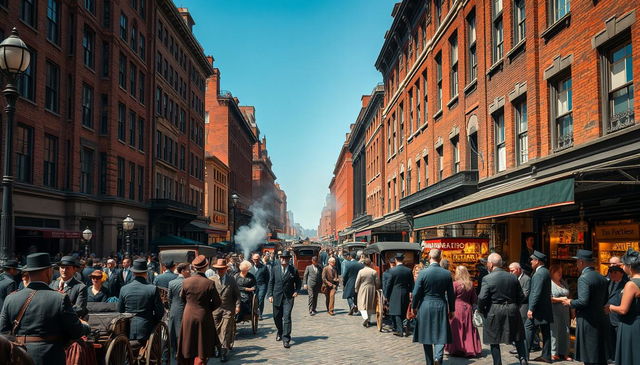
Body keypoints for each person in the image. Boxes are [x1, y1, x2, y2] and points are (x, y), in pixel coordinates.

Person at [0, 253, 84, 365]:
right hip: (50, 357)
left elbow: (3, 332)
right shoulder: (59, 298)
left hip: (19, 358)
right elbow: (76, 331)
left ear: (28, 273)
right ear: (48, 272)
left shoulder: (11, 298)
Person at [560, 249, 610, 365]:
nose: (576, 265)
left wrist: (570, 302)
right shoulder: (601, 277)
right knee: (599, 355)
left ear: (581, 262)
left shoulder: (583, 278)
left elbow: (583, 301)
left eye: (577, 262)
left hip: (587, 321)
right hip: (600, 319)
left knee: (589, 356)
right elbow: (605, 299)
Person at [478, 253, 527, 365]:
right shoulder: (512, 277)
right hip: (512, 309)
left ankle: (497, 363)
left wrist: (481, 310)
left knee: (494, 339)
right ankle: (523, 360)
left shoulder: (487, 278)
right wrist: (515, 305)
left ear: (490, 264)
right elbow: (521, 296)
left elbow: (482, 297)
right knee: (517, 337)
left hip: (494, 310)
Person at [412, 249, 455, 365]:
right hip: (441, 305)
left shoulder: (423, 273)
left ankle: (430, 362)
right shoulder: (446, 274)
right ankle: (438, 357)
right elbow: (451, 294)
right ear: (440, 258)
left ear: (429, 257)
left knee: (426, 334)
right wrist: (452, 310)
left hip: (425, 305)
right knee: (441, 333)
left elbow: (416, 293)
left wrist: (414, 307)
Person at [178, 256, 221, 365]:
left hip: (188, 315)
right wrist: (206, 308)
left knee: (188, 342)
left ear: (194, 268)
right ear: (205, 267)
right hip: (203, 315)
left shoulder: (186, 282)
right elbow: (217, 302)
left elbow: (182, 298)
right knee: (202, 343)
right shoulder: (209, 283)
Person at [118, 258, 164, 345]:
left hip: (127, 328)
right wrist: (154, 320)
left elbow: (120, 310)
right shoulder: (152, 289)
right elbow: (159, 312)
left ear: (133, 273)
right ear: (146, 273)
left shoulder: (124, 289)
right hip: (146, 327)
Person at [608, 248, 640, 365]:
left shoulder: (631, 284)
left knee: (629, 356)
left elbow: (623, 309)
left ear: (629, 266)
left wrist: (610, 307)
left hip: (630, 325)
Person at [267, 250, 301, 348]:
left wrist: (296, 291)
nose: (284, 260)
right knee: (276, 316)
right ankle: (280, 331)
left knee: (287, 317)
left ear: (289, 259)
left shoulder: (293, 270)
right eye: (282, 258)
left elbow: (298, 282)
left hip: (288, 298)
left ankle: (286, 339)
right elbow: (271, 282)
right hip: (276, 296)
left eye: (286, 258)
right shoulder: (274, 269)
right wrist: (270, 295)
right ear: (280, 259)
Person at [446, 265, 482, 358]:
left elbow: (451, 297)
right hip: (468, 308)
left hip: (457, 308)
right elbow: (474, 299)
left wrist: (449, 309)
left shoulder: (455, 284)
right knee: (468, 329)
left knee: (456, 328)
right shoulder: (470, 284)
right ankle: (469, 348)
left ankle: (457, 349)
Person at [525, 250, 553, 363]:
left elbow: (536, 292)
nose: (531, 261)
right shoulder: (545, 272)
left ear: (537, 261)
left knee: (528, 329)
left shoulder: (539, 273)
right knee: (546, 333)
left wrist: (531, 308)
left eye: (532, 259)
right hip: (545, 309)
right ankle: (546, 355)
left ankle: (524, 355)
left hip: (538, 310)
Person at [210, 258, 240, 362]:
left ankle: (223, 352)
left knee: (225, 329)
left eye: (222, 269)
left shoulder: (231, 280)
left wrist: (237, 306)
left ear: (226, 269)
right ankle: (218, 348)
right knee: (217, 330)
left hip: (228, 309)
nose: (220, 271)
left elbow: (237, 295)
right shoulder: (211, 280)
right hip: (215, 310)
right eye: (218, 269)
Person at [384, 252, 414, 337]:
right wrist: (411, 292)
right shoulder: (408, 270)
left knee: (396, 312)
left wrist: (386, 295)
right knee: (405, 311)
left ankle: (400, 331)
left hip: (395, 293)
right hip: (405, 292)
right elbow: (412, 284)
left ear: (396, 260)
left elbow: (389, 284)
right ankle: (406, 328)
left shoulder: (392, 271)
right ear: (403, 260)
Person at [549, 264, 572, 361]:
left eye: (561, 272)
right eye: (558, 272)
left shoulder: (563, 282)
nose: (560, 274)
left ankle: (565, 352)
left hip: (565, 311)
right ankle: (554, 352)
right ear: (552, 272)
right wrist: (561, 299)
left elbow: (569, 295)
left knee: (565, 331)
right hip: (555, 311)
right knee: (555, 331)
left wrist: (573, 309)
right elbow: (549, 298)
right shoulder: (550, 283)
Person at [168, 263, 190, 362]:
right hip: (186, 309)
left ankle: (174, 352)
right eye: (188, 270)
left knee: (173, 332)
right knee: (184, 332)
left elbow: (169, 299)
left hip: (174, 309)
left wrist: (171, 307)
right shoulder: (188, 282)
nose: (189, 271)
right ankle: (183, 353)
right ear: (182, 271)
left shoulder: (171, 283)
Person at [607, 263, 626, 361]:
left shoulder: (625, 284)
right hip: (608, 316)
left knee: (619, 340)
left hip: (618, 317)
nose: (612, 274)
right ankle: (612, 356)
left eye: (615, 272)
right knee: (610, 339)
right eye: (611, 272)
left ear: (621, 274)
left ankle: (618, 358)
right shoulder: (609, 283)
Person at [354, 258, 380, 327]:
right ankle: (368, 319)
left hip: (363, 288)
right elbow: (377, 282)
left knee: (362, 304)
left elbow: (357, 281)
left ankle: (365, 318)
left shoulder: (361, 271)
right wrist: (377, 288)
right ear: (370, 263)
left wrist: (356, 289)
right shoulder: (373, 271)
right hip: (372, 288)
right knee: (370, 304)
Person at [250, 253, 269, 319]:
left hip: (262, 285)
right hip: (253, 286)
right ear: (252, 259)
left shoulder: (264, 267)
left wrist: (267, 288)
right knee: (254, 300)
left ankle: (260, 313)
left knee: (260, 299)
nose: (256, 261)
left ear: (259, 259)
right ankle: (254, 312)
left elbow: (267, 278)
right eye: (255, 259)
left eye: (257, 259)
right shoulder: (250, 268)